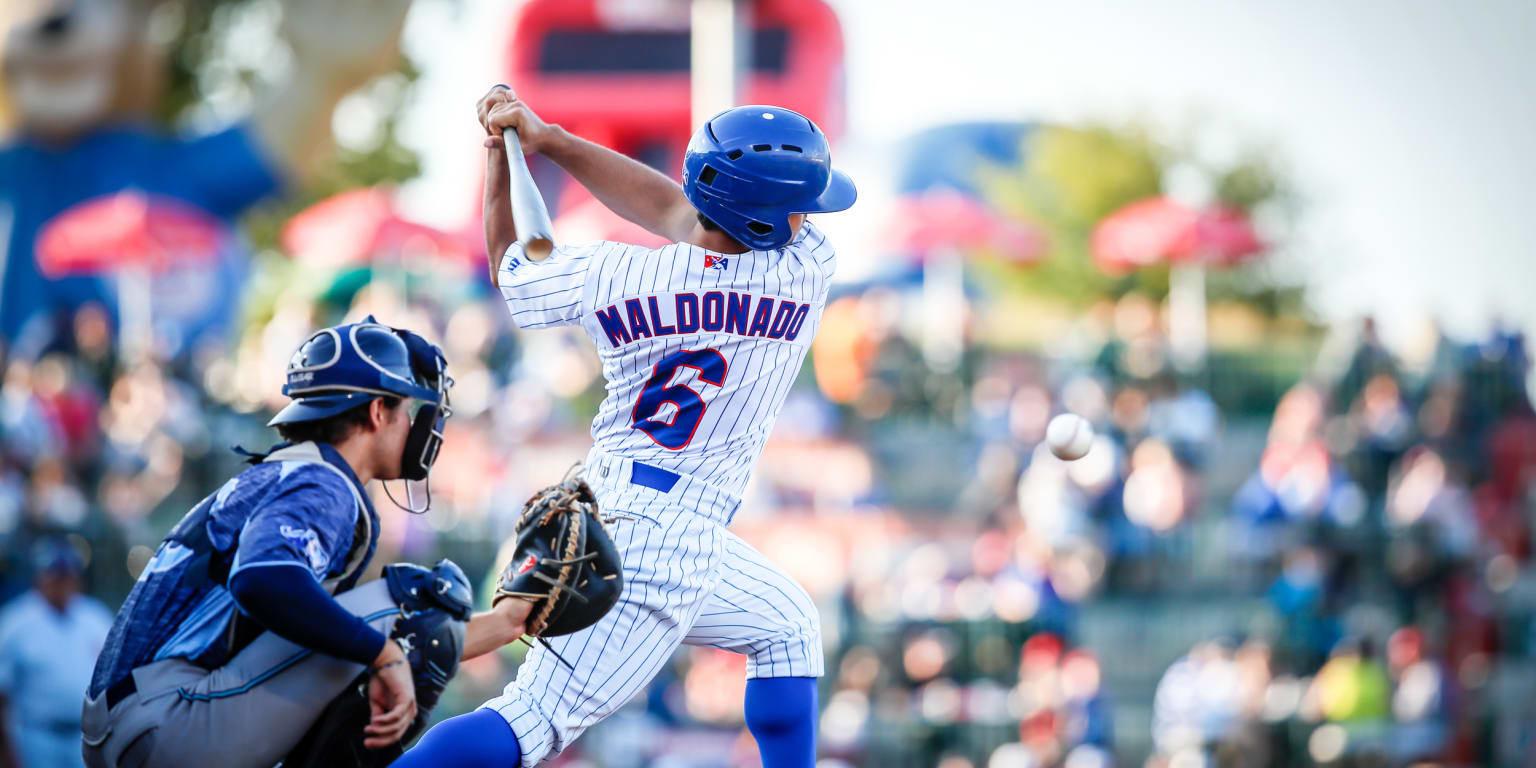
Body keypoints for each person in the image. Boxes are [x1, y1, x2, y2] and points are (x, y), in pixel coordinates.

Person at [395, 88, 857, 768]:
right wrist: (547, 138)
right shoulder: (803, 272)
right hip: (670, 535)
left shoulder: (617, 273)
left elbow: (511, 267)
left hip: (609, 499)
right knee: (533, 721)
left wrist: (511, 152)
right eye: (795, 205)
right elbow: (677, 209)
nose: (806, 215)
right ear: (763, 224)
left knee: (786, 625)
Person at [79, 317, 533, 768]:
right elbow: (263, 580)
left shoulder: (293, 471)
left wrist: (507, 622)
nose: (416, 424)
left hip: (145, 719)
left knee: (366, 631)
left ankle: (504, 622)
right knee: (419, 605)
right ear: (377, 411)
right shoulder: (323, 482)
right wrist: (382, 654)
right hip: (169, 718)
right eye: (406, 409)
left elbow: (367, 630)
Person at [0, 538, 113, 768]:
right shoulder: (15, 620)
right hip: (37, 737)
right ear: (41, 577)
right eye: (57, 576)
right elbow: (2, 694)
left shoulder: (95, 615)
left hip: (87, 738)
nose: (63, 583)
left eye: (68, 575)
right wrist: (6, 752)